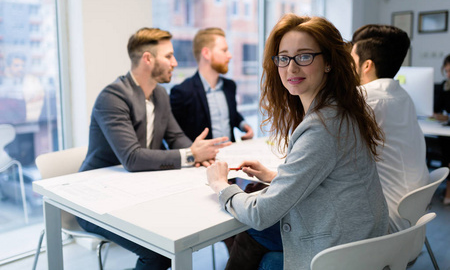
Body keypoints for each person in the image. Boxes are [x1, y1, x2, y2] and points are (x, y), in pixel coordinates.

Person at [206, 14, 389, 270]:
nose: (291, 68)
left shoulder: (322, 126)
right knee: (251, 237)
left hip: (341, 253)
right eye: (284, 57)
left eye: (304, 56)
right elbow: (331, 176)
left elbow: (261, 214)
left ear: (328, 63)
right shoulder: (341, 109)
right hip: (361, 240)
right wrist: (275, 176)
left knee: (252, 233)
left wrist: (220, 186)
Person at [77, 27, 231, 270]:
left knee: (188, 228)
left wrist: (199, 153)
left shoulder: (160, 95)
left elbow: (177, 137)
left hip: (136, 191)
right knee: (158, 254)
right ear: (148, 59)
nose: (175, 62)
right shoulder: (113, 96)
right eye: (168, 56)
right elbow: (132, 158)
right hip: (96, 201)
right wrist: (192, 155)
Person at [351, 24, 429, 230]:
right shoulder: (403, 96)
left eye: (351, 60)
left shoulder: (362, 101)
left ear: (366, 65)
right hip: (412, 223)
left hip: (384, 224)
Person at [170, 27, 253, 142]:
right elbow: (175, 136)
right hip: (203, 159)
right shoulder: (182, 92)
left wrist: (243, 125)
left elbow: (231, 115)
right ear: (206, 53)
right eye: (224, 50)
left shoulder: (230, 86)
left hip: (231, 154)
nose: (229, 56)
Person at [432, 54, 450, 205]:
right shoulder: (444, 86)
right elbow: (437, 107)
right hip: (444, 133)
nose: (449, 74)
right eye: (447, 71)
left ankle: (448, 194)